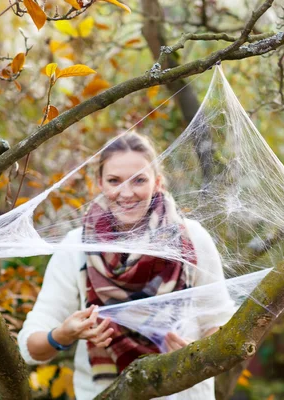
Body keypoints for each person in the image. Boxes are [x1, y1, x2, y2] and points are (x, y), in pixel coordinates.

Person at [18, 132, 229, 399]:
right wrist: (63, 334)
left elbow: (221, 325)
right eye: (114, 181)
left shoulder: (192, 239)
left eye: (139, 180)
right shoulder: (76, 247)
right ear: (100, 183)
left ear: (158, 183)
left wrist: (196, 355)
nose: (126, 192)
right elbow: (30, 348)